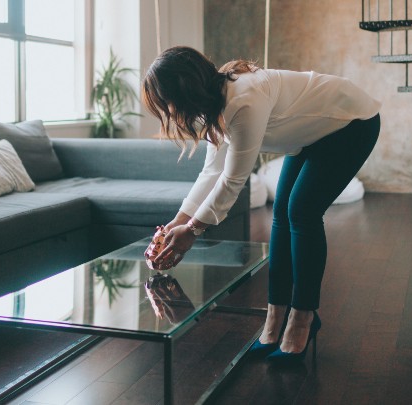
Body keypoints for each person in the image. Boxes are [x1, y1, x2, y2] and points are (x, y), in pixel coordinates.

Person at [143, 46, 381, 363]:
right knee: (282, 215)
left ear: (184, 90)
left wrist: (193, 231)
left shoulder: (242, 99)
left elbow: (232, 180)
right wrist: (177, 223)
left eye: (166, 103)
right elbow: (211, 171)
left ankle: (303, 318)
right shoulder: (214, 104)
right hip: (312, 134)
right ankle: (275, 317)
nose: (169, 114)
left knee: (302, 212)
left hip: (351, 121)